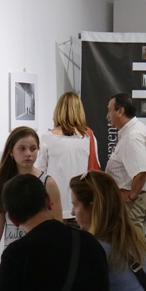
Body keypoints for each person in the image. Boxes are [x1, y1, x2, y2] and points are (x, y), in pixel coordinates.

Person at [0, 127, 63, 277]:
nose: (28, 153)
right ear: (11, 151)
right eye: (22, 149)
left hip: (42, 255)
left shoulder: (48, 183)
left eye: (33, 149)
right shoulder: (4, 183)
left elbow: (57, 223)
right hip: (13, 253)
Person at [36, 92, 98, 223]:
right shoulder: (88, 136)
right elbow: (94, 170)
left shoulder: (47, 137)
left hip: (54, 206)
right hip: (82, 205)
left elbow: (40, 173)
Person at [104, 93, 146, 234]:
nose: (107, 116)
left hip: (132, 204)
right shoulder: (137, 130)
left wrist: (131, 196)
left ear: (120, 111)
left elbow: (141, 172)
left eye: (110, 110)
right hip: (136, 201)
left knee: (131, 250)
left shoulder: (132, 136)